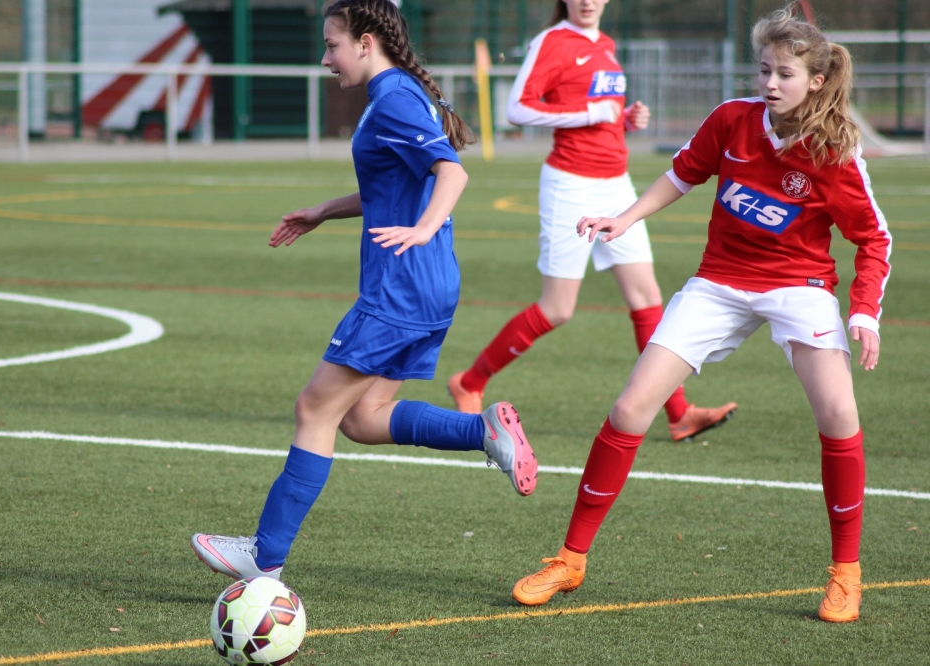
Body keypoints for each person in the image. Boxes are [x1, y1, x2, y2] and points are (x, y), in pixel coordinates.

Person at [510, 6, 892, 624]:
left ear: (816, 80)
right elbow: (682, 174)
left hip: (798, 287)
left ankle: (846, 572)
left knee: (839, 413)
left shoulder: (835, 151)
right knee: (630, 408)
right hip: (719, 282)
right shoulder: (732, 119)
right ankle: (570, 559)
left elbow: (873, 239)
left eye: (785, 74)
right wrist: (625, 218)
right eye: (764, 70)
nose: (770, 83)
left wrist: (864, 312)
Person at [191, 0, 538, 583]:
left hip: (400, 287)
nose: (326, 58)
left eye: (332, 45)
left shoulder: (395, 97)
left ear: (366, 42)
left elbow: (451, 172)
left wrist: (423, 229)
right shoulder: (398, 93)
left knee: (314, 409)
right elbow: (392, 184)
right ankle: (483, 431)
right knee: (362, 417)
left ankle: (264, 556)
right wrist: (325, 211)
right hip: (427, 286)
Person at [447, 0, 737, 442]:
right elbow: (518, 109)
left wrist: (625, 121)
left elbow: (601, 115)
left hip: (616, 185)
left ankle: (679, 414)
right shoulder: (551, 41)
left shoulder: (606, 44)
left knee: (646, 296)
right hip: (570, 185)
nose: (587, 1)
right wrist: (589, 114)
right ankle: (469, 382)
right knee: (557, 308)